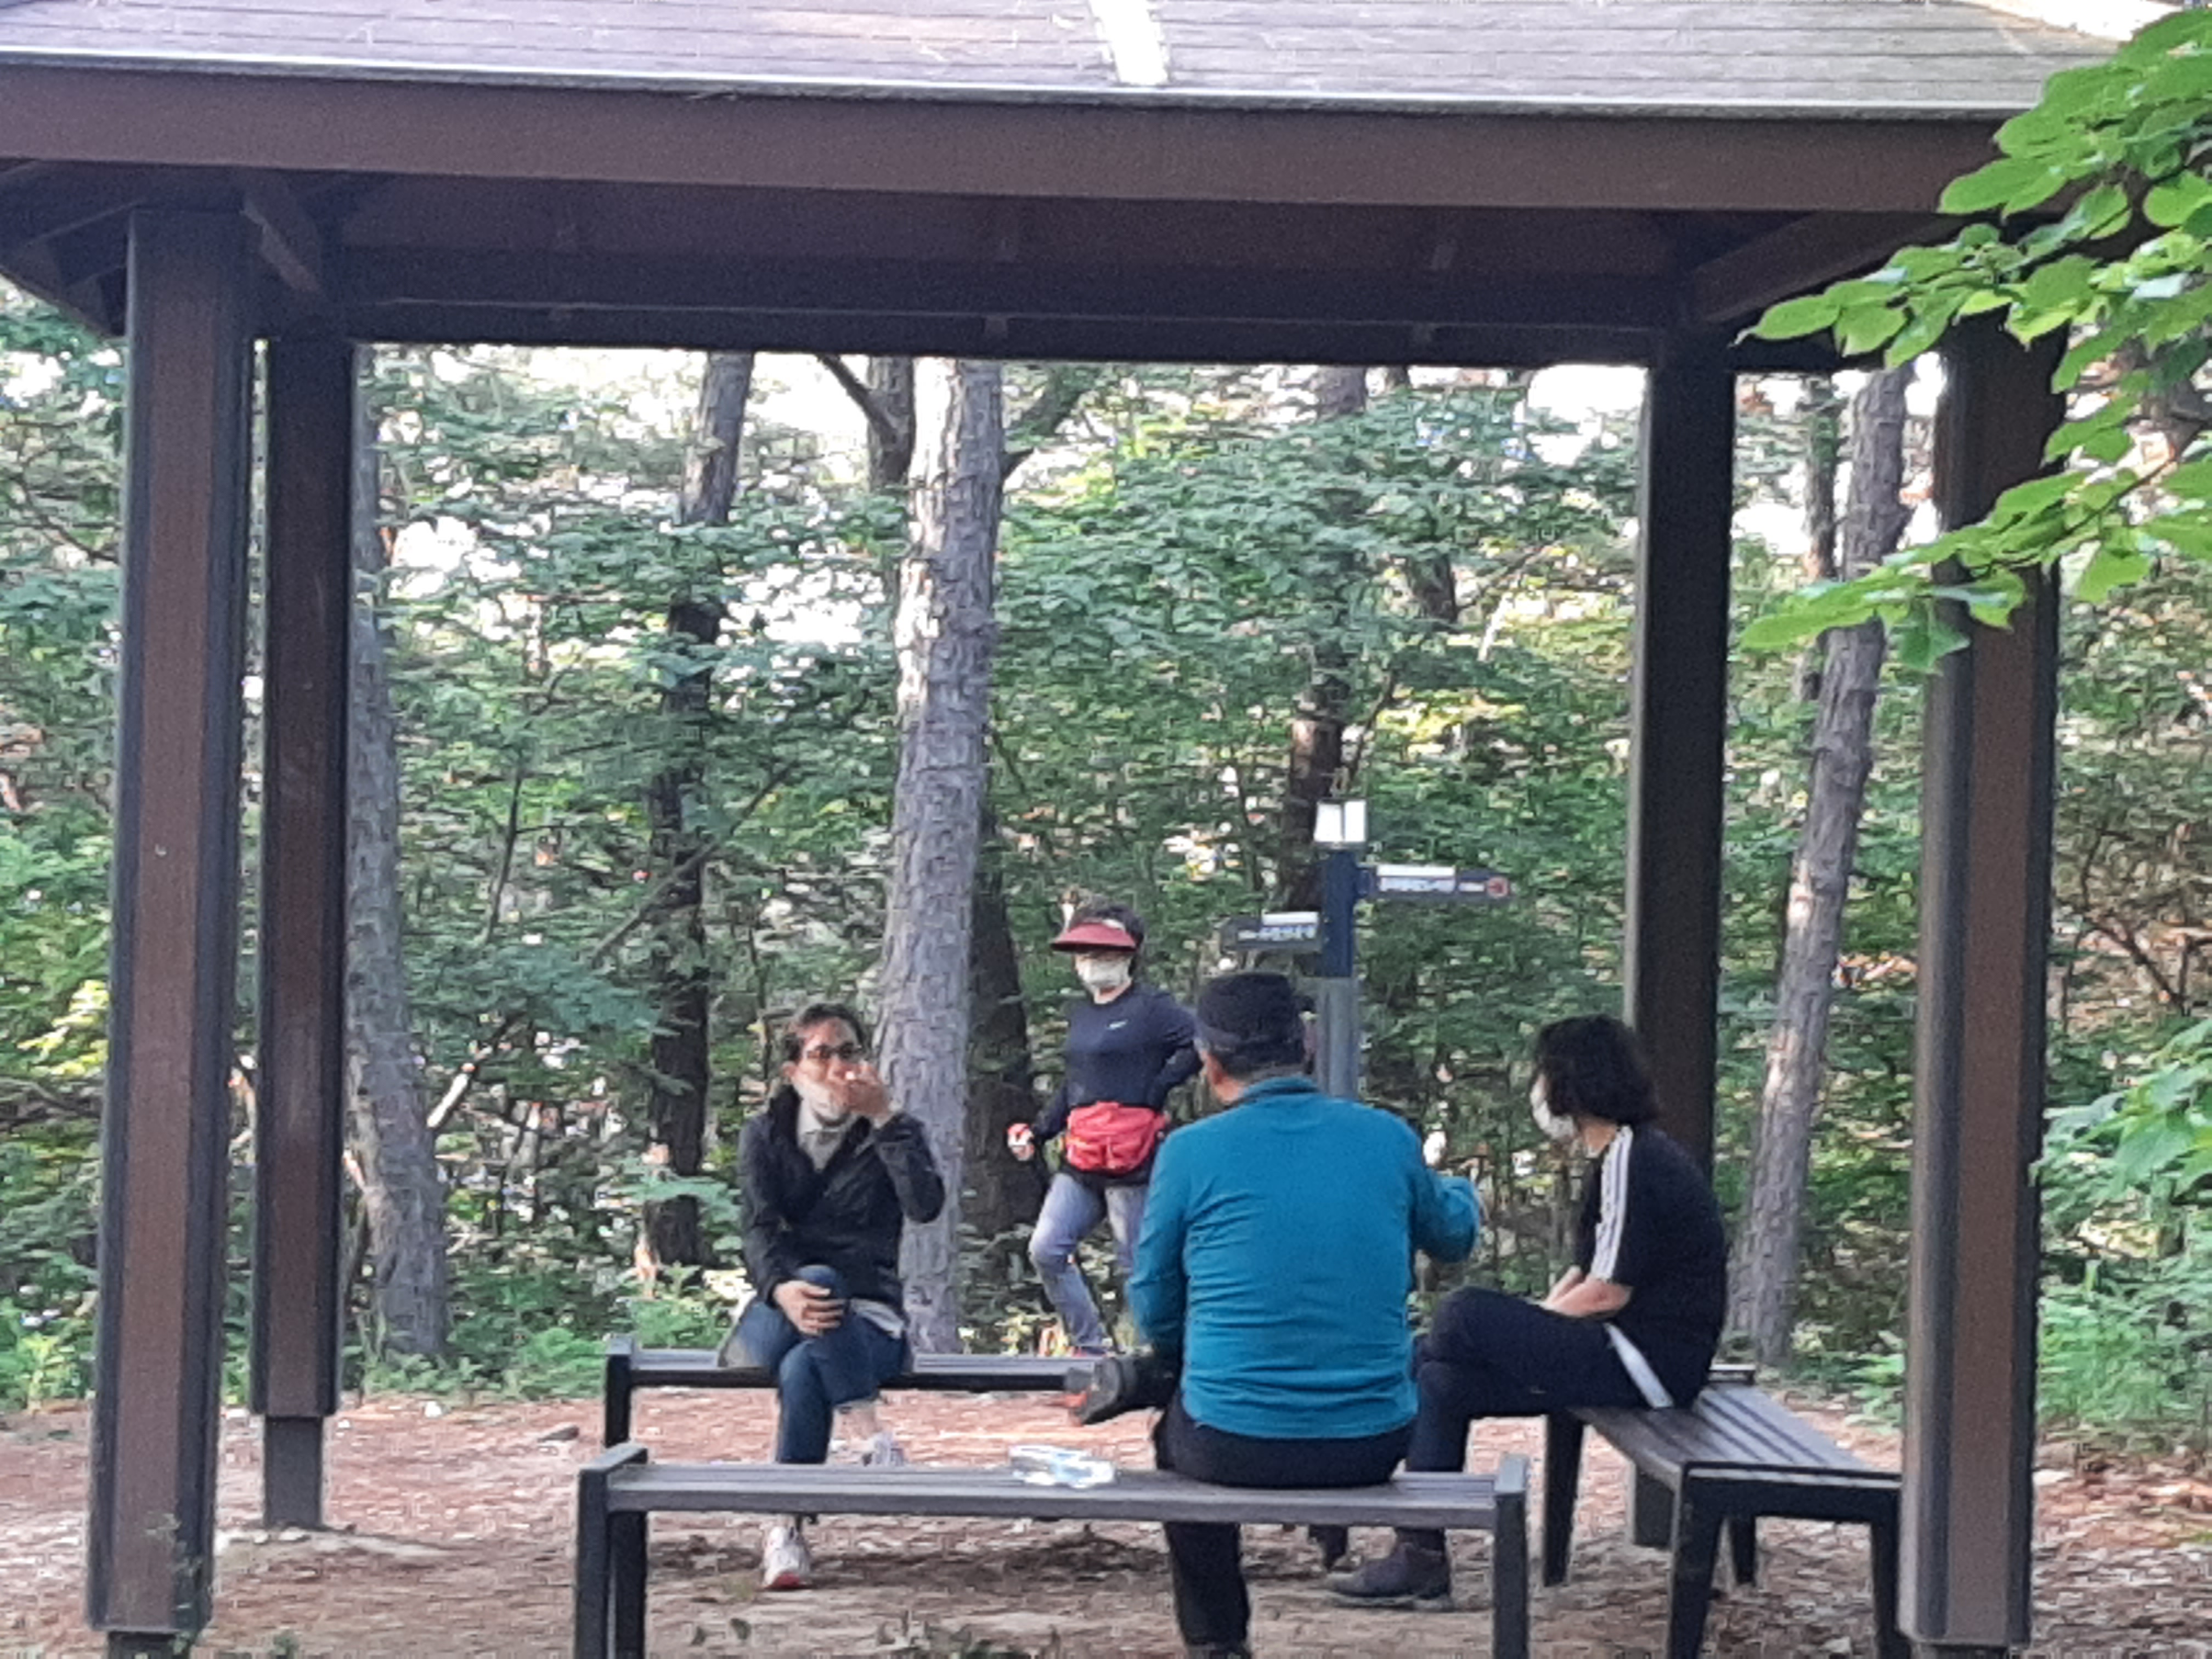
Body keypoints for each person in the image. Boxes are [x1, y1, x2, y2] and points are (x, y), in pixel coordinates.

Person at [1130, 971, 1479, 1659]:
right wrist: (1463, 1192)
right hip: (1371, 1439)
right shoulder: (1385, 1137)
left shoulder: (1189, 1152)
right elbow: (1454, 1237)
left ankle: (1218, 1639)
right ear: (1307, 1046)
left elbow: (1154, 1303)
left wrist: (1182, 1353)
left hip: (1229, 1441)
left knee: (1172, 1437)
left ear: (1209, 1060)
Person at [1330, 1013, 1727, 1610]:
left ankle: (1345, 1477)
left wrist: (1520, 1333)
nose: (1537, 1089)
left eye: (1542, 1073)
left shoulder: (1634, 1156)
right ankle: (1420, 1557)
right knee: (1439, 1380)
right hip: (1621, 1351)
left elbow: (1607, 1293)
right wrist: (1530, 1329)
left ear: (1571, 1081)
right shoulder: (1618, 1157)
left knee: (1460, 1314)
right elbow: (1584, 1272)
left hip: (1647, 1364)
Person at [719, 1001, 946, 1592]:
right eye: (821, 1054)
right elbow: (758, 1229)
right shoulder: (766, 1134)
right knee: (815, 1285)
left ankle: (785, 1531)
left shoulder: (890, 1130)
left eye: (849, 1051)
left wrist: (885, 1119)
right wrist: (780, 1288)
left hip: (868, 1317)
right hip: (781, 1308)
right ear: (793, 1070)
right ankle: (870, 1434)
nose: (839, 1065)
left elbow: (925, 1205)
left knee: (804, 1368)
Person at [1008, 903, 1199, 1356]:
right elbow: (1075, 1085)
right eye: (1087, 950)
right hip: (1083, 1156)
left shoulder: (1153, 1008)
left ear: (1130, 953)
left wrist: (1156, 1090)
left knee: (1136, 1265)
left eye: (1107, 949)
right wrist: (1039, 1132)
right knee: (1047, 1249)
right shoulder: (1081, 1013)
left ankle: (1161, 1357)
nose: (1096, 959)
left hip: (1134, 1159)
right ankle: (1091, 1349)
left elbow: (1200, 1042)